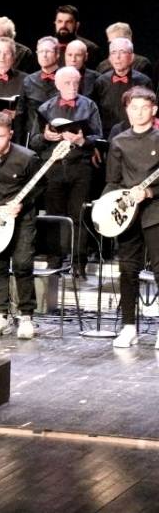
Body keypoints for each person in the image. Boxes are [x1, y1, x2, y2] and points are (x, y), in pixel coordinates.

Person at [0, 112, 43, 339]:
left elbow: (40, 187)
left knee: (23, 263)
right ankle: (0, 315)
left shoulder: (27, 157)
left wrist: (22, 204)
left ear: (10, 134)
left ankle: (26, 316)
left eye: (0, 136)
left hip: (23, 218)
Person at [29, 66, 103, 277]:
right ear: (58, 84)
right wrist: (46, 137)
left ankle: (79, 263)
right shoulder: (46, 108)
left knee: (79, 215)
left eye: (76, 83)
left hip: (80, 167)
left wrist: (81, 141)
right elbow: (34, 142)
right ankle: (54, 261)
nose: (72, 87)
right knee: (54, 216)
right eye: (68, 83)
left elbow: (99, 139)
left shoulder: (89, 106)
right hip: (53, 168)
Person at [102, 87, 159, 349]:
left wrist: (149, 192)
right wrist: (107, 209)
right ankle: (128, 327)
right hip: (126, 214)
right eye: (133, 108)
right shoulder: (119, 141)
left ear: (154, 110)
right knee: (127, 270)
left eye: (144, 107)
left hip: (155, 211)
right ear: (127, 110)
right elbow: (112, 181)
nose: (138, 113)